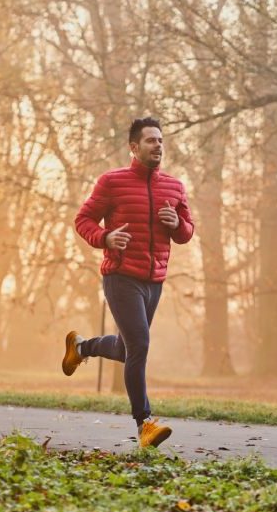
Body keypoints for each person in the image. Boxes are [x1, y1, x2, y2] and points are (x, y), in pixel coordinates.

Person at [62, 117, 194, 448]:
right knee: (140, 345)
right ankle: (145, 423)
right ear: (134, 148)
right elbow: (83, 219)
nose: (158, 145)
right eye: (151, 141)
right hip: (121, 277)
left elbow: (186, 232)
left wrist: (177, 223)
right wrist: (105, 237)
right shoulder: (112, 182)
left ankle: (81, 347)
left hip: (154, 281)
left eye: (161, 140)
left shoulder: (175, 187)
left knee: (126, 348)